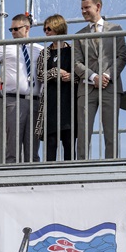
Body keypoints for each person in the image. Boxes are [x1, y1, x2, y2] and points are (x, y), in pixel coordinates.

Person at [73, 0, 126, 159]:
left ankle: (112, 167)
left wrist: (106, 75)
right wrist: (93, 77)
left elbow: (122, 56)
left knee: (111, 131)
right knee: (83, 132)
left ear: (98, 7)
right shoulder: (79, 35)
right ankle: (82, 168)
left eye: (86, 7)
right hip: (87, 90)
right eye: (82, 8)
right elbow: (76, 63)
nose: (83, 11)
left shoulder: (116, 29)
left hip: (110, 87)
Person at [0, 13, 41, 162]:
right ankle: (12, 174)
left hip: (35, 101)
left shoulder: (39, 48)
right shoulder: (6, 47)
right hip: (14, 100)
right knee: (13, 143)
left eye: (16, 29)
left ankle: (33, 176)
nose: (13, 33)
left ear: (27, 28)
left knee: (33, 144)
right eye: (11, 30)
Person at [33, 14, 75, 161]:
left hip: (69, 101)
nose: (46, 32)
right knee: (51, 141)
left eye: (49, 28)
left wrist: (71, 76)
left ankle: (70, 174)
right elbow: (39, 75)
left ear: (58, 27)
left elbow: (80, 73)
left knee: (69, 141)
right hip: (50, 102)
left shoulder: (72, 50)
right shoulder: (45, 53)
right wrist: (55, 72)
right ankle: (49, 172)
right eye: (45, 29)